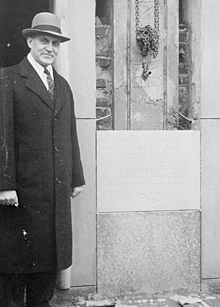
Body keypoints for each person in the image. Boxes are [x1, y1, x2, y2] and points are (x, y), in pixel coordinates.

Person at [0, 12, 85, 307]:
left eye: (55, 43)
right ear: (29, 41)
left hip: (55, 193)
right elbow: (3, 134)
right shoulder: (9, 78)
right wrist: (4, 184)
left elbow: (70, 134)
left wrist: (76, 176)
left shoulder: (62, 85)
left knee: (48, 261)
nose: (50, 48)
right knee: (14, 266)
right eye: (44, 41)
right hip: (21, 194)